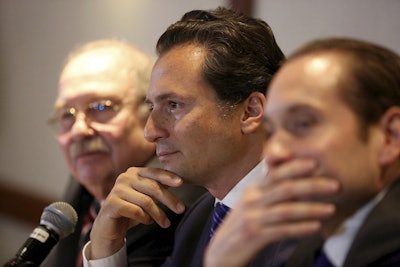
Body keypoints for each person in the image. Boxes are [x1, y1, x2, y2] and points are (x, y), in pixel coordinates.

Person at [82, 7, 338, 267]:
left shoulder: (314, 222)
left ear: (250, 112)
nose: (151, 131)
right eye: (152, 107)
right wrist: (107, 248)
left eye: (173, 105)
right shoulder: (199, 217)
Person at [205, 37, 400, 267]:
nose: (275, 153)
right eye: (271, 132)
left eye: (303, 124)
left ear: (390, 137)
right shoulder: (312, 249)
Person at [44, 39, 206, 267]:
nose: (79, 131)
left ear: (149, 112)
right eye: (67, 115)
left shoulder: (165, 202)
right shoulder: (89, 177)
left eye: (101, 107)